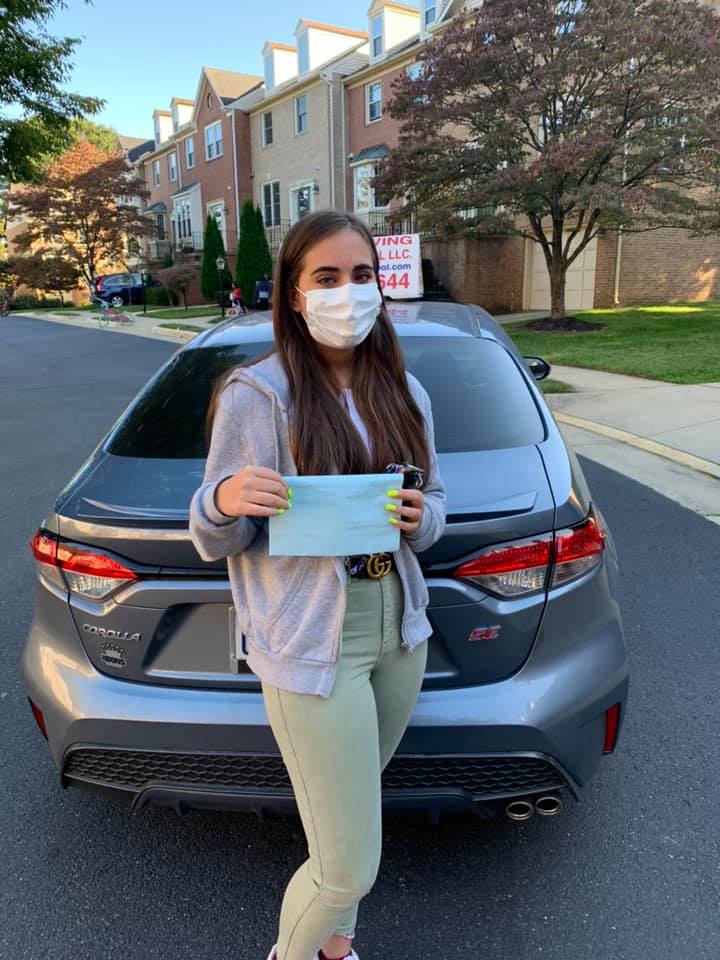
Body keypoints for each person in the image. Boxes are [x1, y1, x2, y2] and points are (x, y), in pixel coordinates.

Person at [188, 210, 446, 960]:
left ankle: (336, 950)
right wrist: (225, 500)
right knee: (347, 866)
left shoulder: (405, 391)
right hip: (312, 643)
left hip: (399, 632)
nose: (348, 292)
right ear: (295, 294)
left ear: (381, 285)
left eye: (361, 275)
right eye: (327, 277)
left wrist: (419, 516)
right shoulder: (257, 395)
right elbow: (214, 537)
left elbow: (436, 505)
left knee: (347, 824)